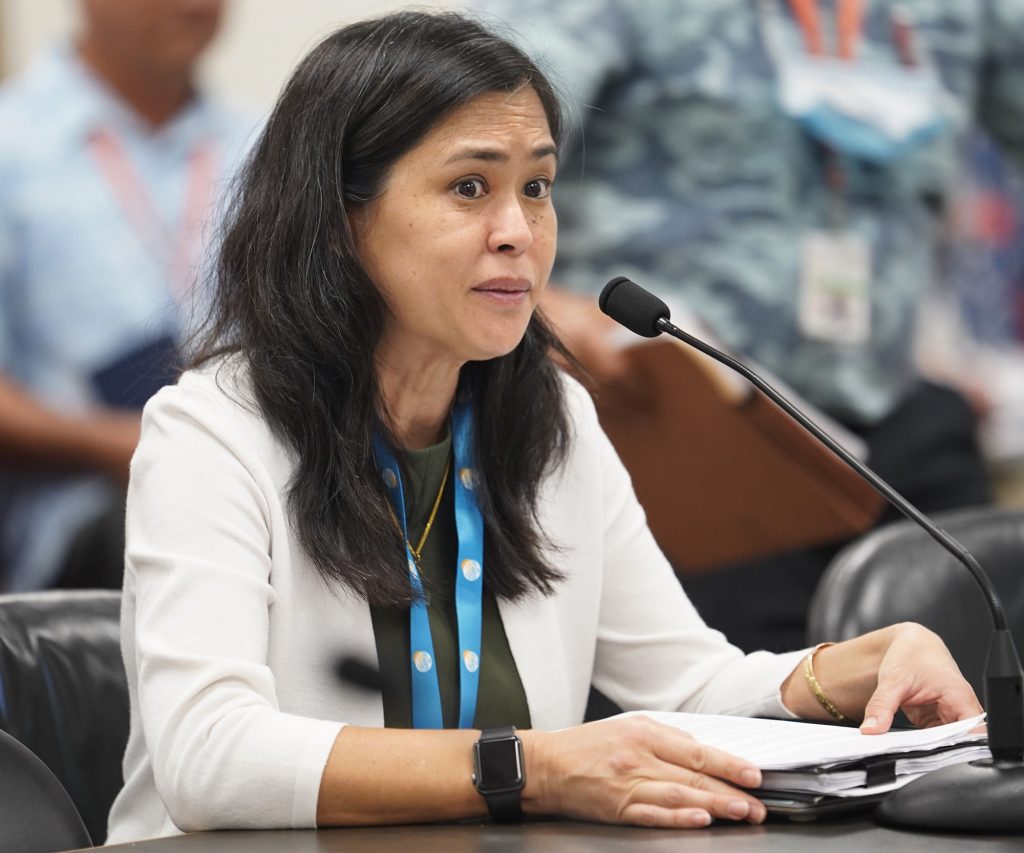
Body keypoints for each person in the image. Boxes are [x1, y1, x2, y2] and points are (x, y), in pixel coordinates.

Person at [105, 12, 981, 843]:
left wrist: (842, 671)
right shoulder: (213, 432)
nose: (518, 231)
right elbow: (209, 757)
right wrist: (535, 766)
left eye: (537, 187)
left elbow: (687, 682)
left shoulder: (553, 419)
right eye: (469, 188)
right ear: (338, 220)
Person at [470, 0, 1022, 651]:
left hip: (894, 414)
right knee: (745, 699)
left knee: (970, 677)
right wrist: (541, 307)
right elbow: (458, 150)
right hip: (688, 425)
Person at [0, 0, 254, 591]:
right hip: (83, 515)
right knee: (180, 526)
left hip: (249, 477)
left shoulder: (264, 145)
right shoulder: (13, 147)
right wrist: (118, 443)